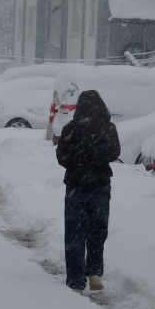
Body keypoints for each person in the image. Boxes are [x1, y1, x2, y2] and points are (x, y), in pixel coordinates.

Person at [56, 90, 121, 292]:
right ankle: (94, 273)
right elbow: (114, 152)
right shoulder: (108, 128)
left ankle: (75, 279)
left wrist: (78, 163)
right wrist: (96, 158)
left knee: (74, 233)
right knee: (97, 231)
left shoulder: (71, 129)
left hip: (76, 186)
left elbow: (61, 157)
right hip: (100, 186)